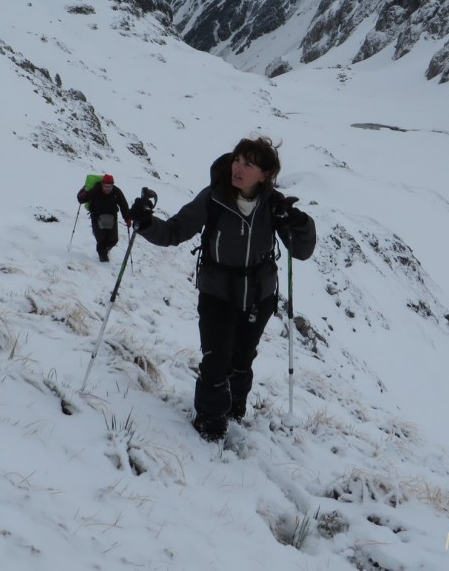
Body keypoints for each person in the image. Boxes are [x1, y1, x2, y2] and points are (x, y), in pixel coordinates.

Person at [129, 137, 316, 441]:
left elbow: (302, 251)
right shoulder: (213, 198)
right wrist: (145, 223)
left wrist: (300, 223)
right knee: (216, 360)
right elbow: (175, 231)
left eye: (248, 164)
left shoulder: (273, 205)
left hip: (259, 296)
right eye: (237, 160)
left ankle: (235, 409)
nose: (238, 168)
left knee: (242, 359)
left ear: (265, 175)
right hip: (217, 294)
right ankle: (210, 422)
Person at [77, 174, 132, 262]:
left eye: (110, 186)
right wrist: (83, 192)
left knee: (113, 240)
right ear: (102, 184)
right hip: (96, 216)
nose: (108, 188)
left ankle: (105, 251)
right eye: (106, 186)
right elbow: (82, 200)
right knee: (101, 239)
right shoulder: (96, 190)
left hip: (112, 218)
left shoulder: (116, 191)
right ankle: (103, 257)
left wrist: (127, 219)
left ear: (112, 185)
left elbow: (123, 205)